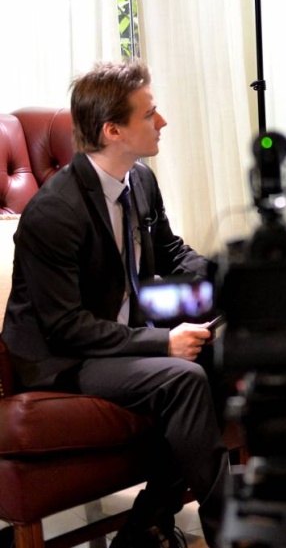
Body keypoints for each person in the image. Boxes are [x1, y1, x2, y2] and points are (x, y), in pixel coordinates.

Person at [1, 61, 229, 548]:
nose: (162, 122)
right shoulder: (53, 213)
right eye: (150, 114)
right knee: (184, 377)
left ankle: (146, 522)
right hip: (61, 358)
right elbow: (66, 327)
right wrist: (163, 341)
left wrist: (232, 280)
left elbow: (171, 253)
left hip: (116, 340)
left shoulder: (140, 181)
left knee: (229, 352)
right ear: (113, 131)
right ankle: (230, 532)